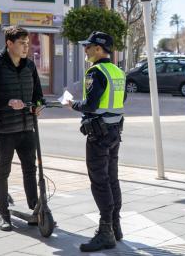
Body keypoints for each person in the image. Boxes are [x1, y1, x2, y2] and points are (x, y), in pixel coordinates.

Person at [0, 26, 44, 231]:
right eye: (22, 43)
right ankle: (3, 214)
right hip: (5, 129)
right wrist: (8, 102)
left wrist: (39, 105)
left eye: (27, 43)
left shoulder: (30, 67)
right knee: (3, 172)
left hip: (27, 128)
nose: (26, 47)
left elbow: (38, 95)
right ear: (9, 44)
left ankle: (36, 211)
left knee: (30, 170)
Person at [68, 31, 126, 252]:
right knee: (112, 178)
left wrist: (72, 104)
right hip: (114, 132)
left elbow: (90, 105)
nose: (86, 50)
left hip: (99, 134)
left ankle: (105, 232)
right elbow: (122, 100)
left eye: (88, 46)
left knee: (99, 181)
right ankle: (116, 225)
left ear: (99, 49)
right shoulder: (118, 71)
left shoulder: (96, 71)